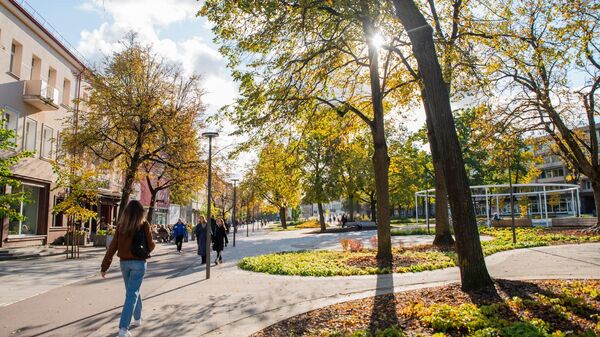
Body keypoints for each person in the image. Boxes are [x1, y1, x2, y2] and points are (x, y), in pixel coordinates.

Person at [100, 200, 155, 337]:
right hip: (139, 263)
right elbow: (151, 246)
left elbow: (112, 247)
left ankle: (137, 319)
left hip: (124, 264)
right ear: (141, 213)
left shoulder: (121, 226)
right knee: (132, 293)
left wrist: (104, 266)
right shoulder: (144, 225)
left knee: (132, 292)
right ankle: (123, 329)